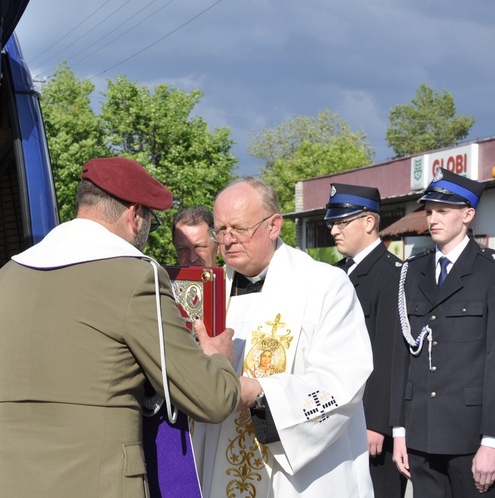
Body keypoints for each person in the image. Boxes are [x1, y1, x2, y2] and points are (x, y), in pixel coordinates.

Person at [0, 157, 251, 498]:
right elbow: (211, 400)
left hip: (7, 483)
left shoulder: (8, 276)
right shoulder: (136, 276)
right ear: (135, 214)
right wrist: (219, 359)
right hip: (97, 484)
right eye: (151, 222)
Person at [192, 176, 374, 498]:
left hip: (300, 479)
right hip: (222, 464)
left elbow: (343, 380)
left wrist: (257, 393)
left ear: (274, 226)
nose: (228, 240)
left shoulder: (325, 285)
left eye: (239, 228)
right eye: (220, 231)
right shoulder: (210, 294)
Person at [392, 168, 495, 497]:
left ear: (468, 214)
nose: (433, 219)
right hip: (420, 435)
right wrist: (398, 430)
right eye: (429, 211)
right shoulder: (412, 270)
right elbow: (402, 357)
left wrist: (491, 442)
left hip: (470, 438)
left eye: (443, 211)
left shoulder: (488, 271)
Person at [325, 183, 407, 498]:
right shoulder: (335, 274)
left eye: (342, 223)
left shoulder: (392, 274)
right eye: (332, 223)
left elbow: (388, 353)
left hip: (370, 423)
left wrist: (377, 422)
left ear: (369, 223)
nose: (334, 230)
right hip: (337, 416)